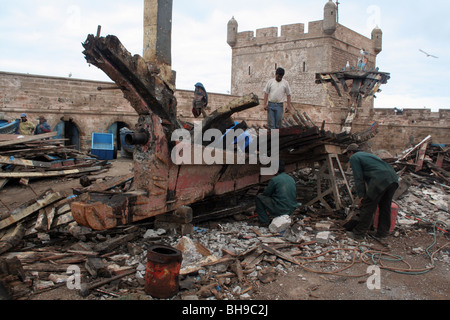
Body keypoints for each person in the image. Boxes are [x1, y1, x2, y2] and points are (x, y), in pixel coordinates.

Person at [344, 144, 399, 241]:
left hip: (380, 179)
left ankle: (358, 233)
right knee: (385, 206)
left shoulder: (354, 157)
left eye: (347, 154)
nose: (348, 157)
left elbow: (358, 178)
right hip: (393, 177)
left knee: (368, 206)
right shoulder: (368, 155)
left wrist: (361, 196)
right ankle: (383, 233)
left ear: (350, 152)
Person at [255, 160, 299, 227]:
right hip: (291, 208)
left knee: (259, 198)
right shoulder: (291, 179)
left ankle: (264, 221)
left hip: (281, 209)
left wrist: (261, 193)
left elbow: (266, 194)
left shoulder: (275, 180)